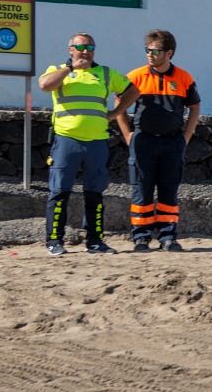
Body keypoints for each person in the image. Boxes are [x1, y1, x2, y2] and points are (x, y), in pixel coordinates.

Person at [38, 32, 139, 256]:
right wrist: (70, 68)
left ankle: (95, 241)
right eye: (81, 47)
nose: (86, 51)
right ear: (70, 49)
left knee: (94, 192)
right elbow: (45, 85)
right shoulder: (58, 70)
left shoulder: (104, 73)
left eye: (90, 47)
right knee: (59, 191)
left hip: (97, 141)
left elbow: (133, 91)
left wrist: (115, 113)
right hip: (66, 140)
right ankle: (54, 241)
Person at [117, 30, 202, 253]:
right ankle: (141, 238)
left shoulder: (184, 78)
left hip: (172, 142)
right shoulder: (135, 77)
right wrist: (127, 134)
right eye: (147, 50)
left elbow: (194, 107)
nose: (150, 55)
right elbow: (119, 107)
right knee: (141, 190)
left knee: (168, 190)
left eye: (155, 51)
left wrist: (186, 136)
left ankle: (168, 236)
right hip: (143, 141)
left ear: (169, 53)